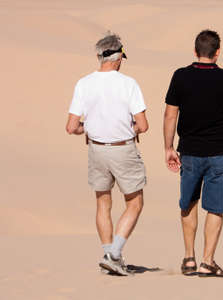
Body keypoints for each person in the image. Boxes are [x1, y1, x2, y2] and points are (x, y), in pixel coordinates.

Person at [163, 29, 223, 277]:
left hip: (189, 153)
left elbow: (170, 114)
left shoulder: (180, 76)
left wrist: (168, 147)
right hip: (219, 154)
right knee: (215, 208)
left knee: (189, 203)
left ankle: (189, 258)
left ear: (195, 51)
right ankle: (207, 261)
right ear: (217, 53)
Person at [65, 33, 148, 276]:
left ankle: (108, 254)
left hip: (96, 149)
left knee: (103, 202)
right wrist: (128, 128)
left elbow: (71, 127)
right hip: (123, 148)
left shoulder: (84, 83)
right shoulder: (128, 83)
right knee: (135, 202)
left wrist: (87, 129)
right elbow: (143, 125)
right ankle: (113, 254)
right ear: (119, 56)